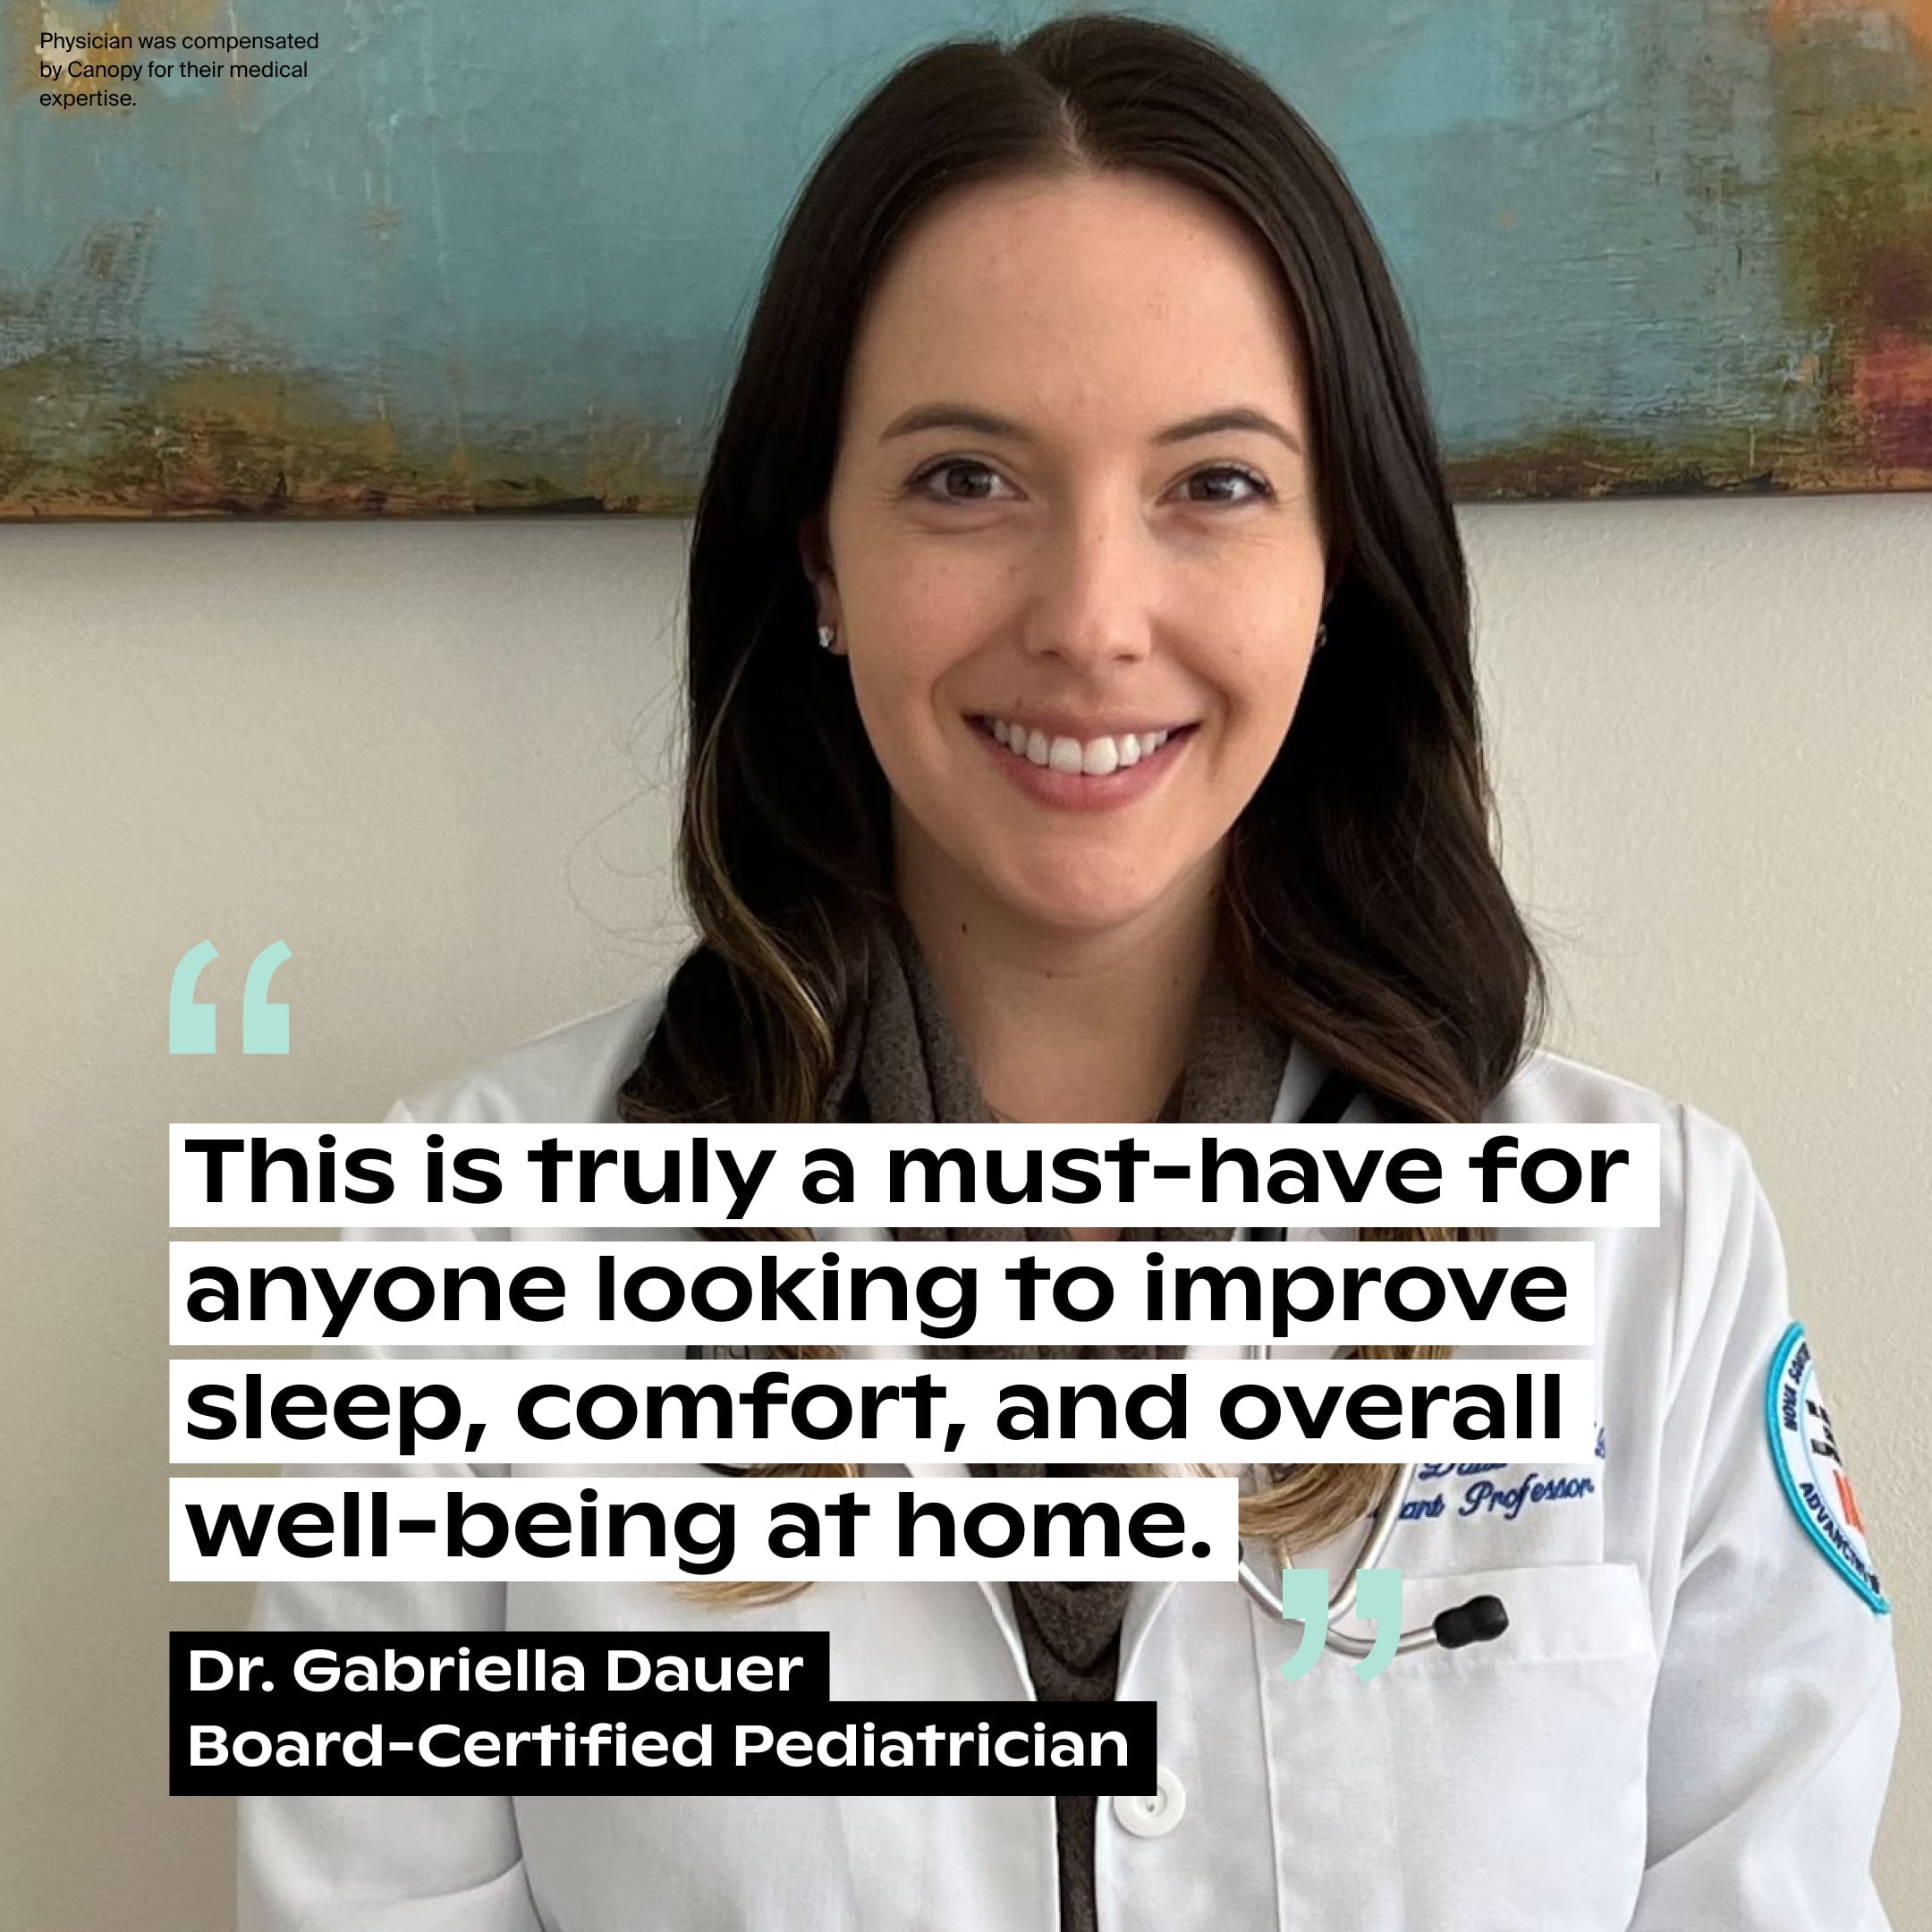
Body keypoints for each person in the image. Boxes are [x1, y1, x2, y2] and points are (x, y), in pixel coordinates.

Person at [239, 13, 1899, 1928]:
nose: (1093, 620)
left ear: (1338, 564)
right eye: (966, 480)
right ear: (820, 558)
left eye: (1216, 486)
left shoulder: (1659, 1254)